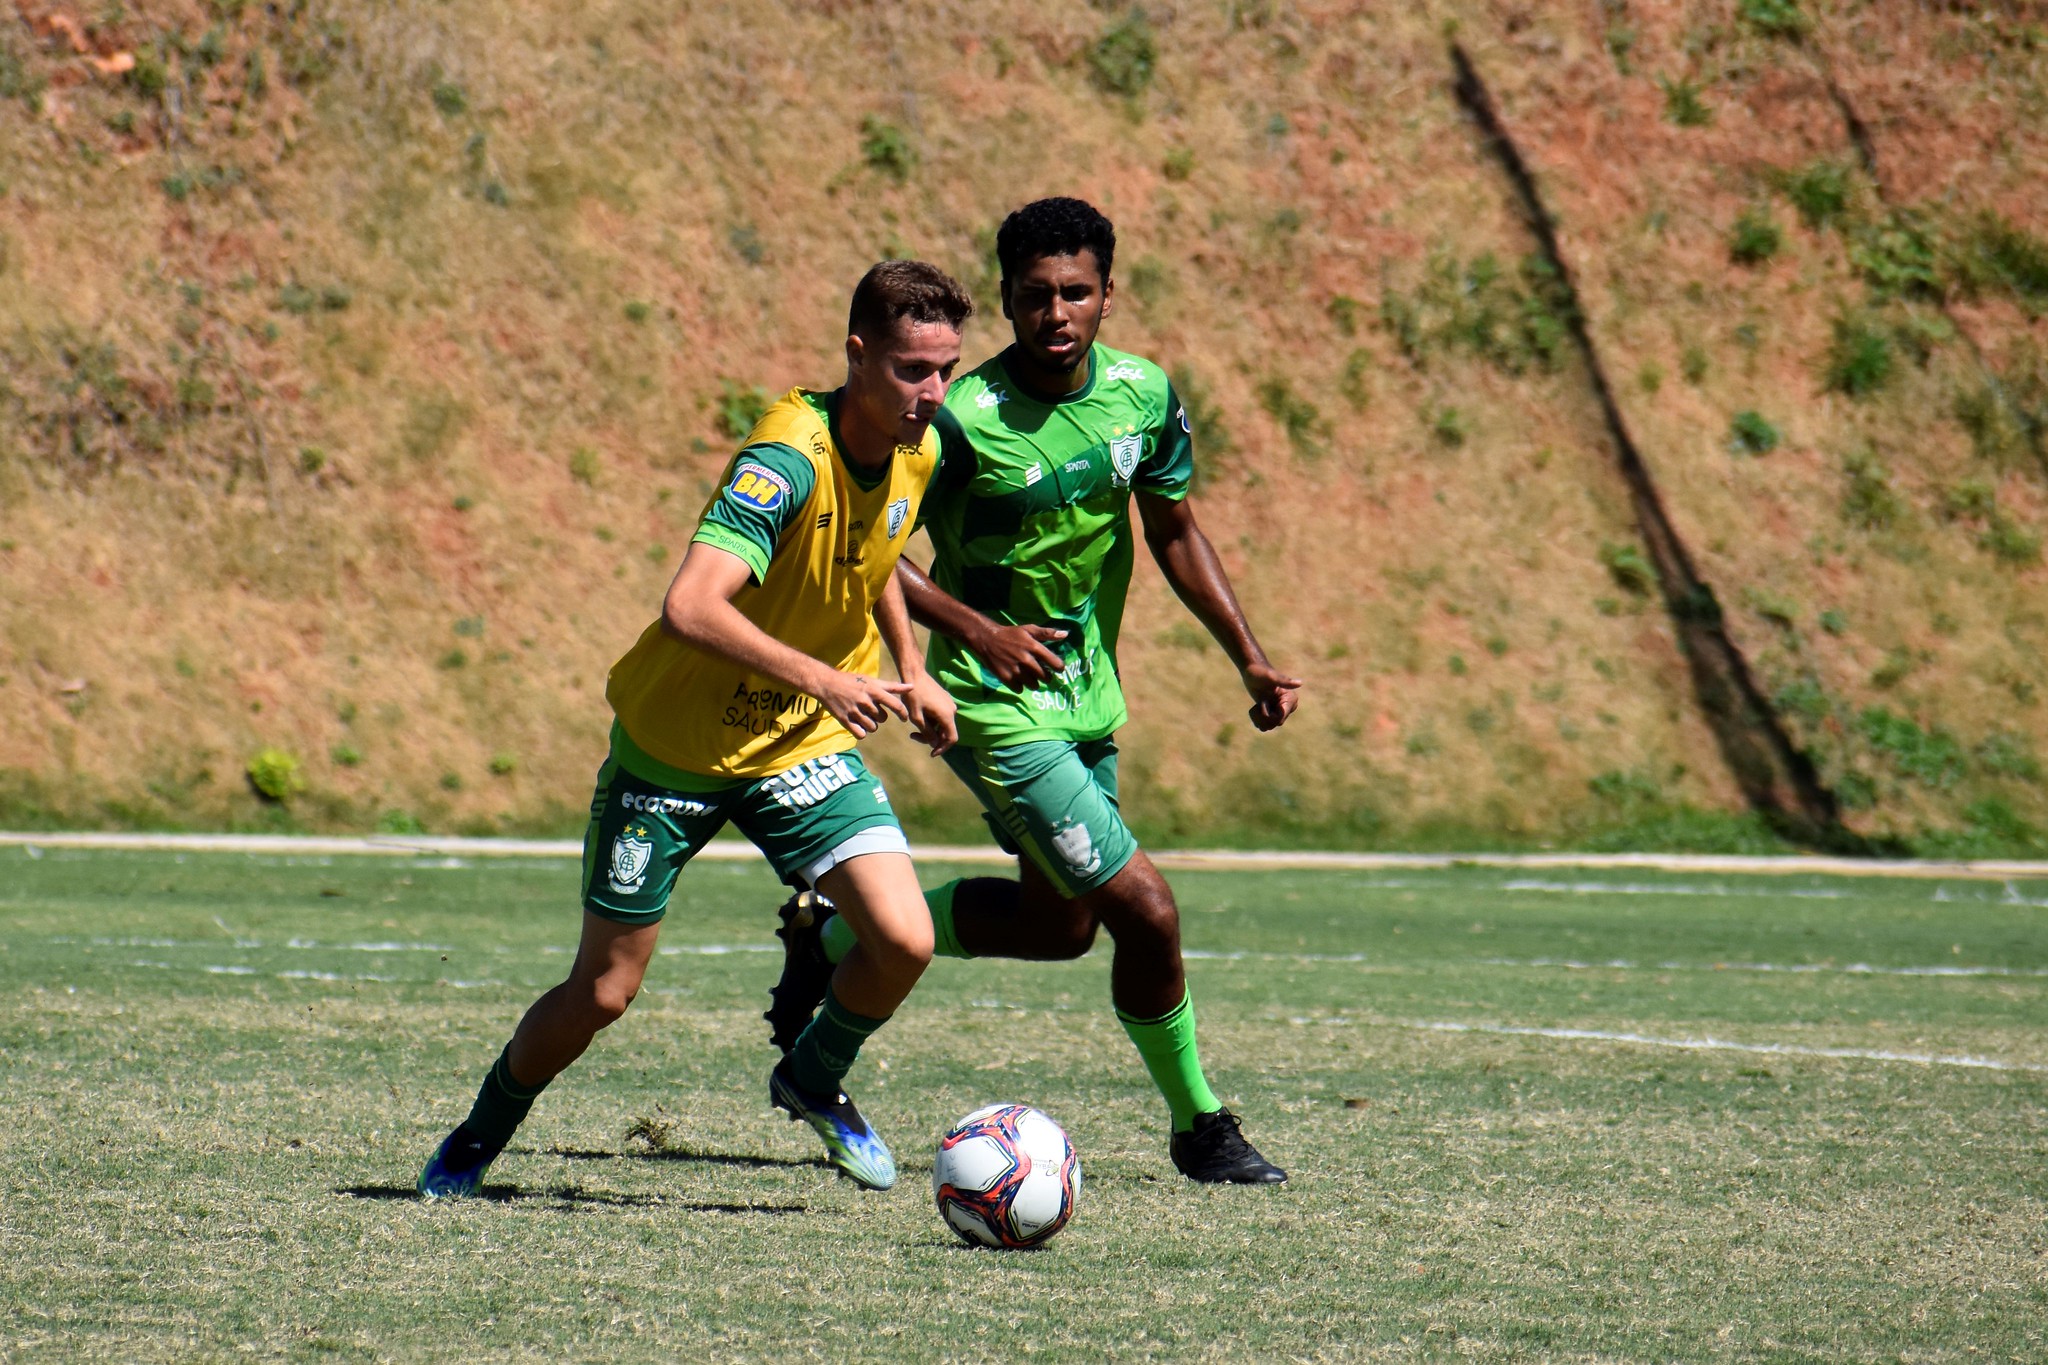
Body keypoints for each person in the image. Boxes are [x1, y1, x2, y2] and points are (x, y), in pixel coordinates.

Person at [767, 198, 1304, 1184]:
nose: (1055, 313)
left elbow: (1174, 531)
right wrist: (976, 631)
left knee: (1061, 928)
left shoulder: (1142, 397)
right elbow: (871, 543)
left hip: (1086, 702)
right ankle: (1201, 1128)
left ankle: (830, 933)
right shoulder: (960, 418)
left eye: (1075, 293)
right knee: (1146, 910)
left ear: (1106, 296)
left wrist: (1248, 656)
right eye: (1033, 296)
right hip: (989, 706)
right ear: (1008, 303)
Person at [419, 260, 974, 1197]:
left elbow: (873, 547)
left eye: (946, 369)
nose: (931, 393)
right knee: (604, 991)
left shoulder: (916, 444)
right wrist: (826, 677)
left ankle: (810, 1076)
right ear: (857, 355)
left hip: (795, 741)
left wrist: (912, 668)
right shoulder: (785, 460)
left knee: (905, 939)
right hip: (676, 747)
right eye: (911, 369)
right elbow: (689, 605)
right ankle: (478, 1134)